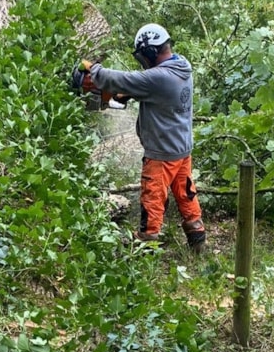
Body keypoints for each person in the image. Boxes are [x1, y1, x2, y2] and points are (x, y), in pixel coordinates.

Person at [79, 23, 206, 254]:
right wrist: (127, 94)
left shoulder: (159, 77)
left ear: (149, 52)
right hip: (181, 149)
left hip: (161, 154)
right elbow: (148, 87)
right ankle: (197, 238)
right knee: (186, 195)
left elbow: (126, 79)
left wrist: (94, 70)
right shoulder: (181, 65)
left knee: (152, 199)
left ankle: (146, 245)